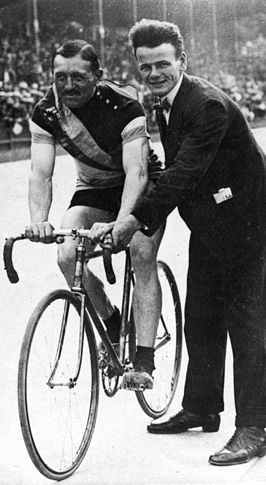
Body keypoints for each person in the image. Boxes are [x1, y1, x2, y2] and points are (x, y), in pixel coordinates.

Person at [91, 19, 266, 466]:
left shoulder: (204, 104)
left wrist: (133, 221)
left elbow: (184, 173)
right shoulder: (165, 102)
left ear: (182, 62)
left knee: (247, 325)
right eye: (145, 66)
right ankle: (202, 407)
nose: (153, 74)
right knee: (202, 317)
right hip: (211, 221)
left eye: (163, 64)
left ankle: (254, 428)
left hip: (249, 223)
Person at [25, 39, 165, 390]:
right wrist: (39, 219)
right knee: (67, 254)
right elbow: (40, 173)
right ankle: (112, 321)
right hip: (93, 188)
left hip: (140, 185)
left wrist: (122, 222)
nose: (68, 86)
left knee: (141, 252)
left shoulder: (123, 102)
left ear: (96, 76)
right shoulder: (46, 112)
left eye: (78, 77)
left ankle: (144, 362)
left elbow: (136, 173)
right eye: (60, 77)